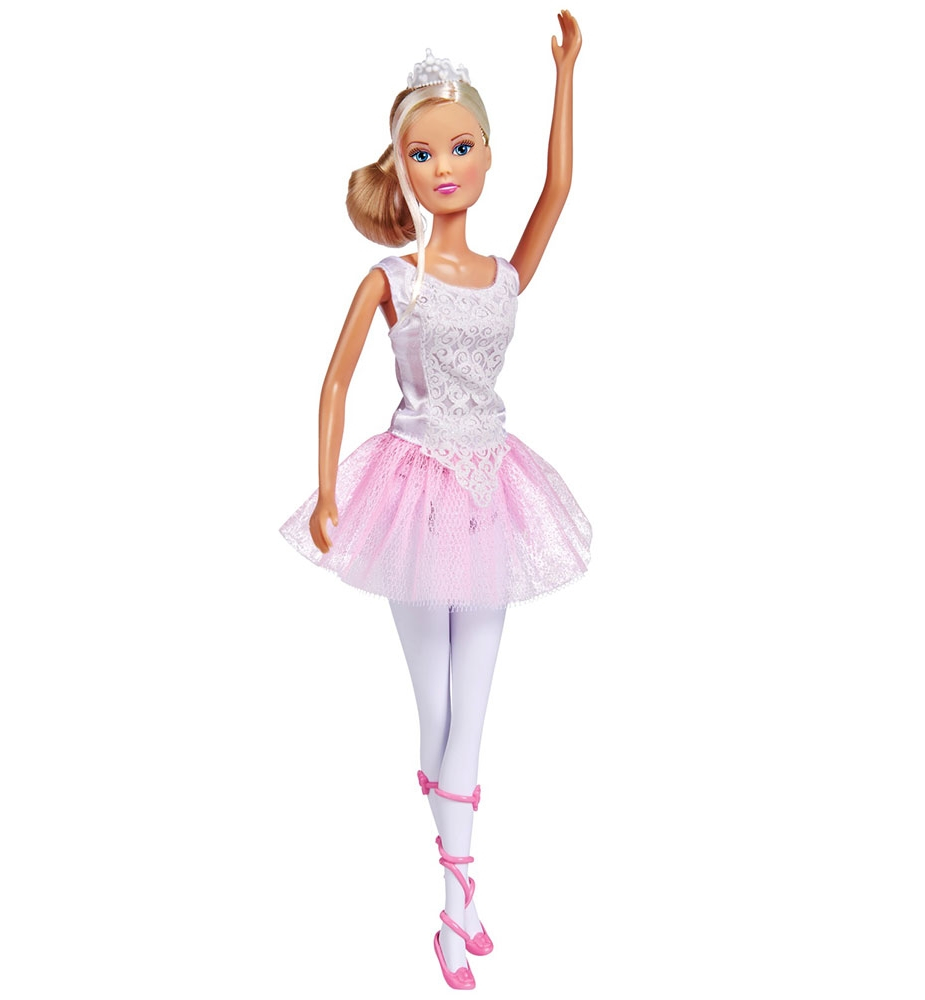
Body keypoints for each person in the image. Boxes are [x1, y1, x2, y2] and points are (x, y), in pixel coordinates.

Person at [280, 11, 588, 989]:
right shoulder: (390, 280)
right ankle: (459, 897)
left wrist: (566, 75)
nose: (442, 167)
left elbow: (560, 190)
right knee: (436, 699)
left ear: (486, 154)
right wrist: (327, 489)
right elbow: (333, 382)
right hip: (409, 496)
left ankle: (457, 902)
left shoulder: (503, 277)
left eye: (459, 147)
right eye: (422, 153)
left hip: (492, 494)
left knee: (474, 702)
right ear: (401, 168)